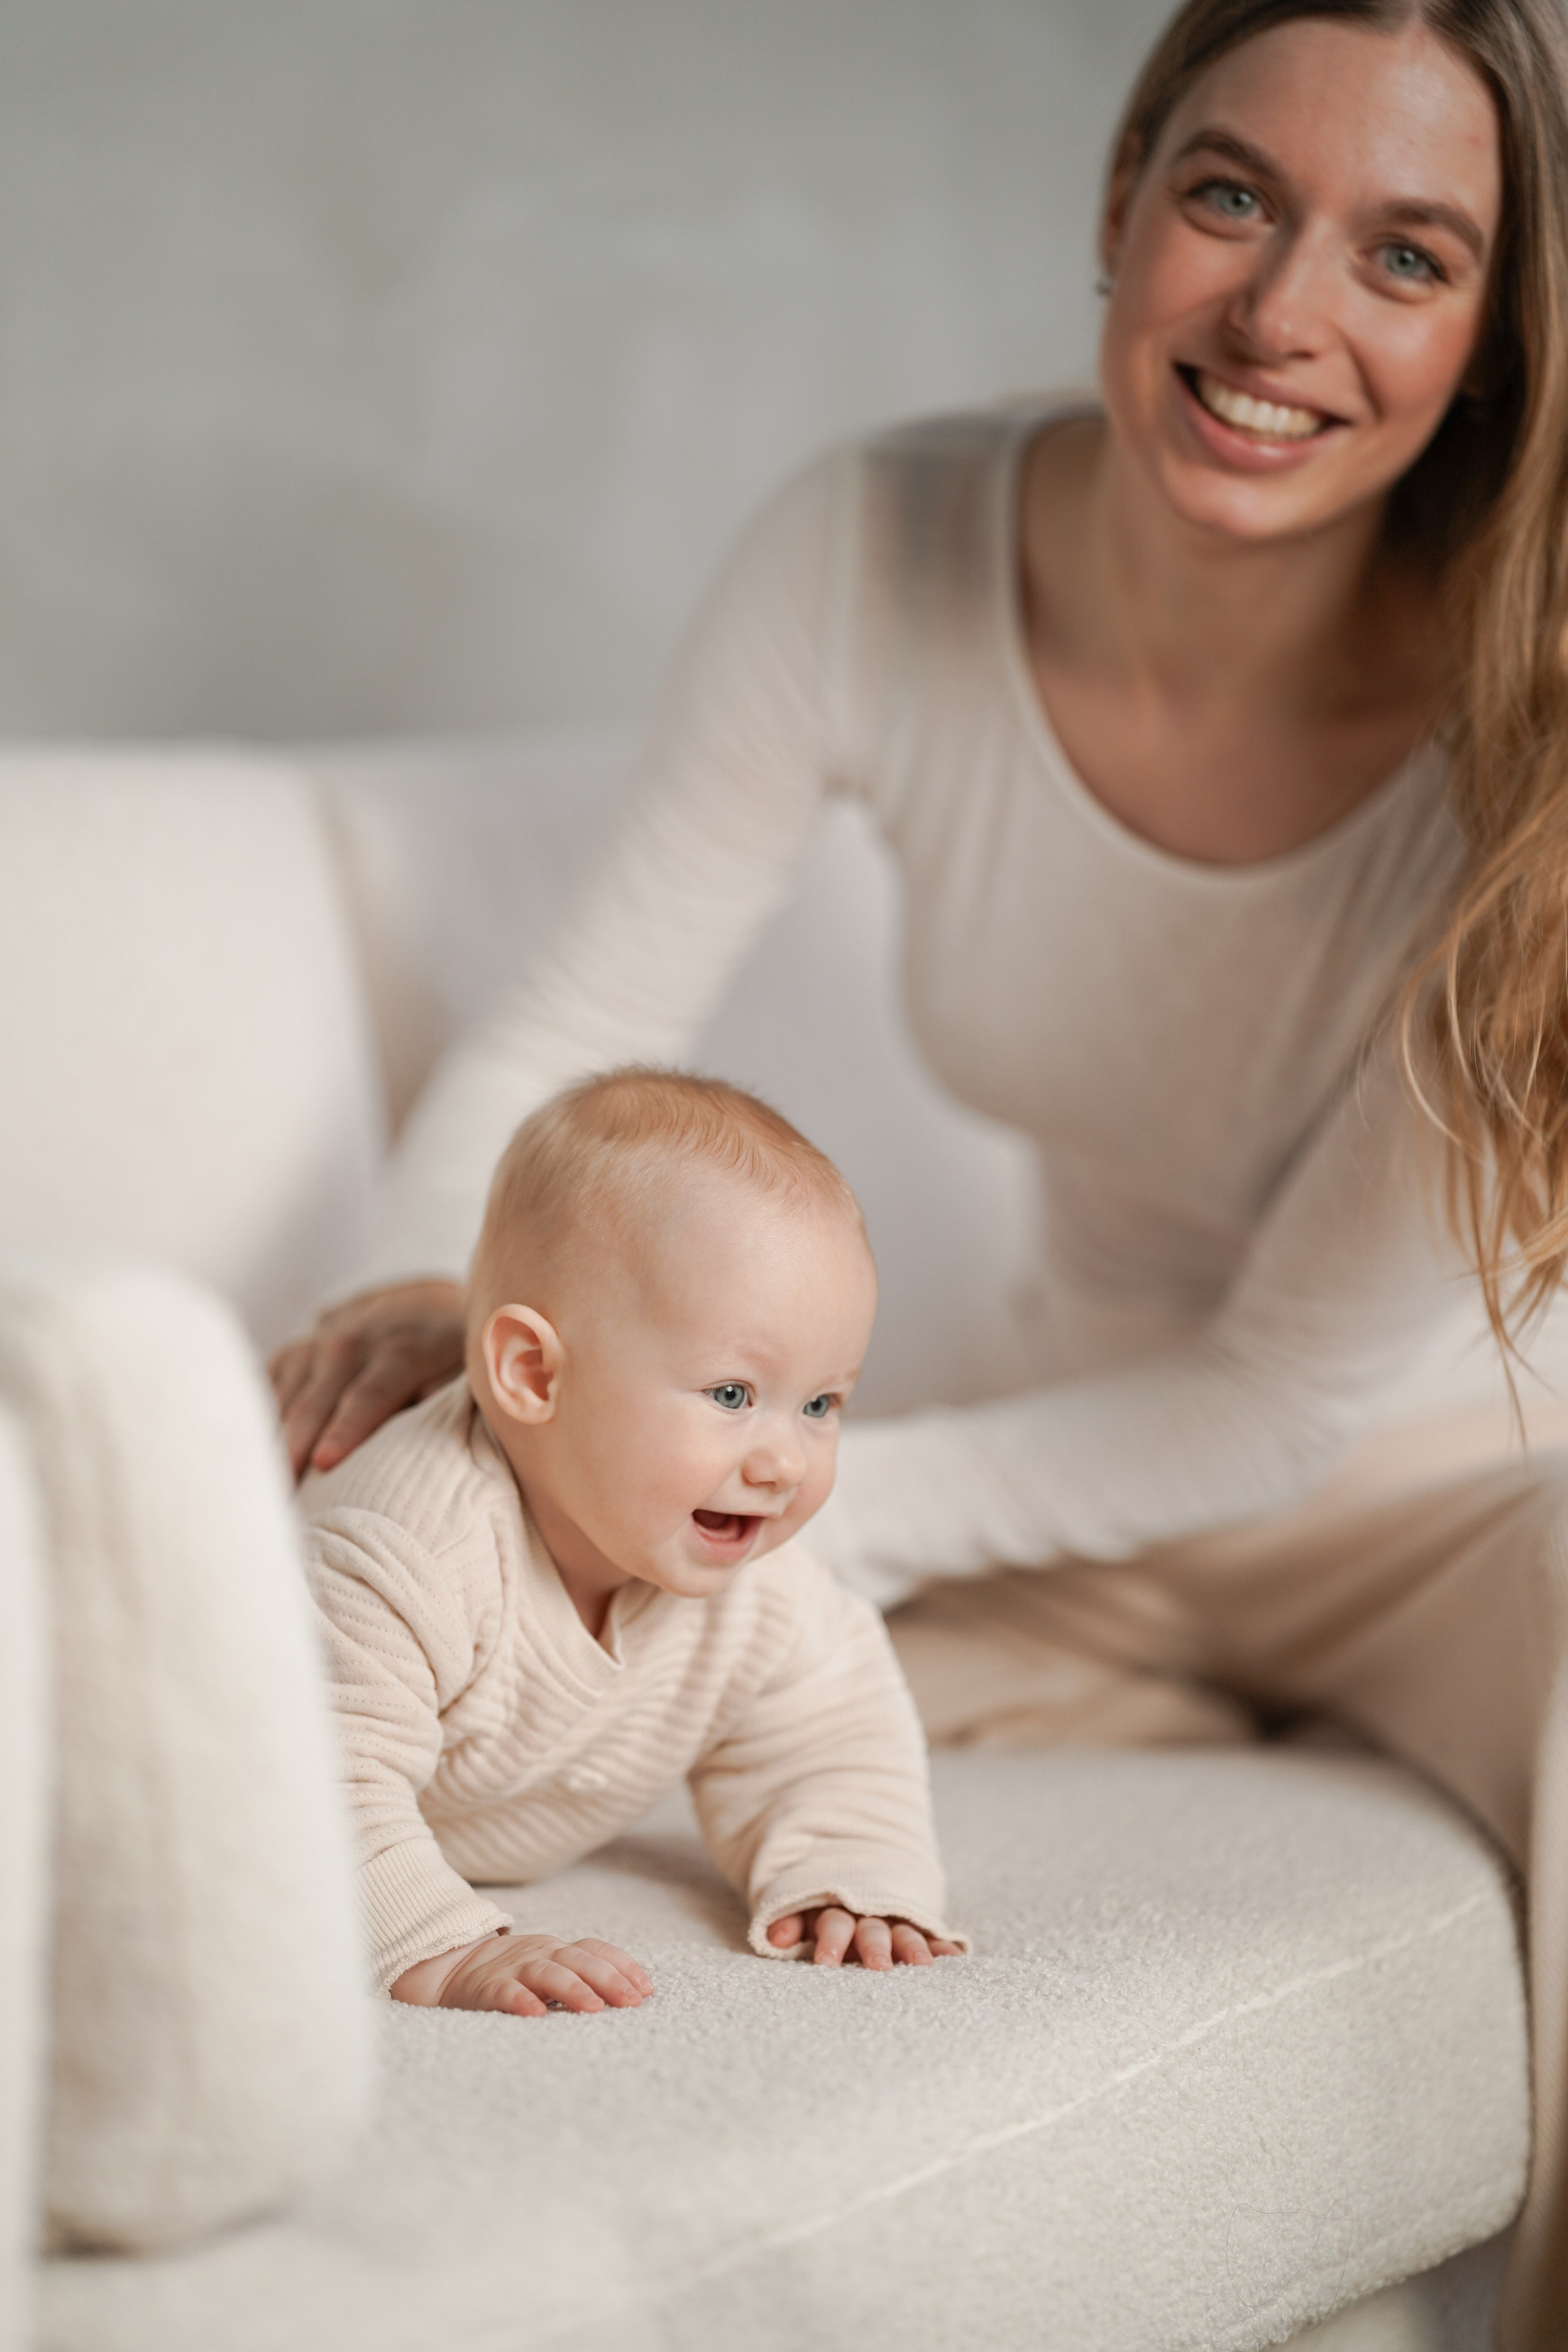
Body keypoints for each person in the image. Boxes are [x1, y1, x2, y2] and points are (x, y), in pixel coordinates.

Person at [271, 0, 1568, 2337]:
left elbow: (1278, 1404)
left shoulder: (1527, 749)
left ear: (1491, 342)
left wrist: (760, 1481)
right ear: (1119, 206)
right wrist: (447, 1335)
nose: (1282, 317)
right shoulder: (882, 545)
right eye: (1232, 195)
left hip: (1441, 1500)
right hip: (1071, 1481)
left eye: (1409, 254)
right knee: (535, 1669)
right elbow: (581, 1030)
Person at [303, 1068, 965, 2015]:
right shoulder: (405, 1552)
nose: (784, 1460)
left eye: (821, 1403)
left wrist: (852, 1873)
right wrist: (447, 1949)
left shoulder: (757, 1589)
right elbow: (305, 1779)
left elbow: (829, 1729)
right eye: (733, 1395)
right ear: (533, 1374)